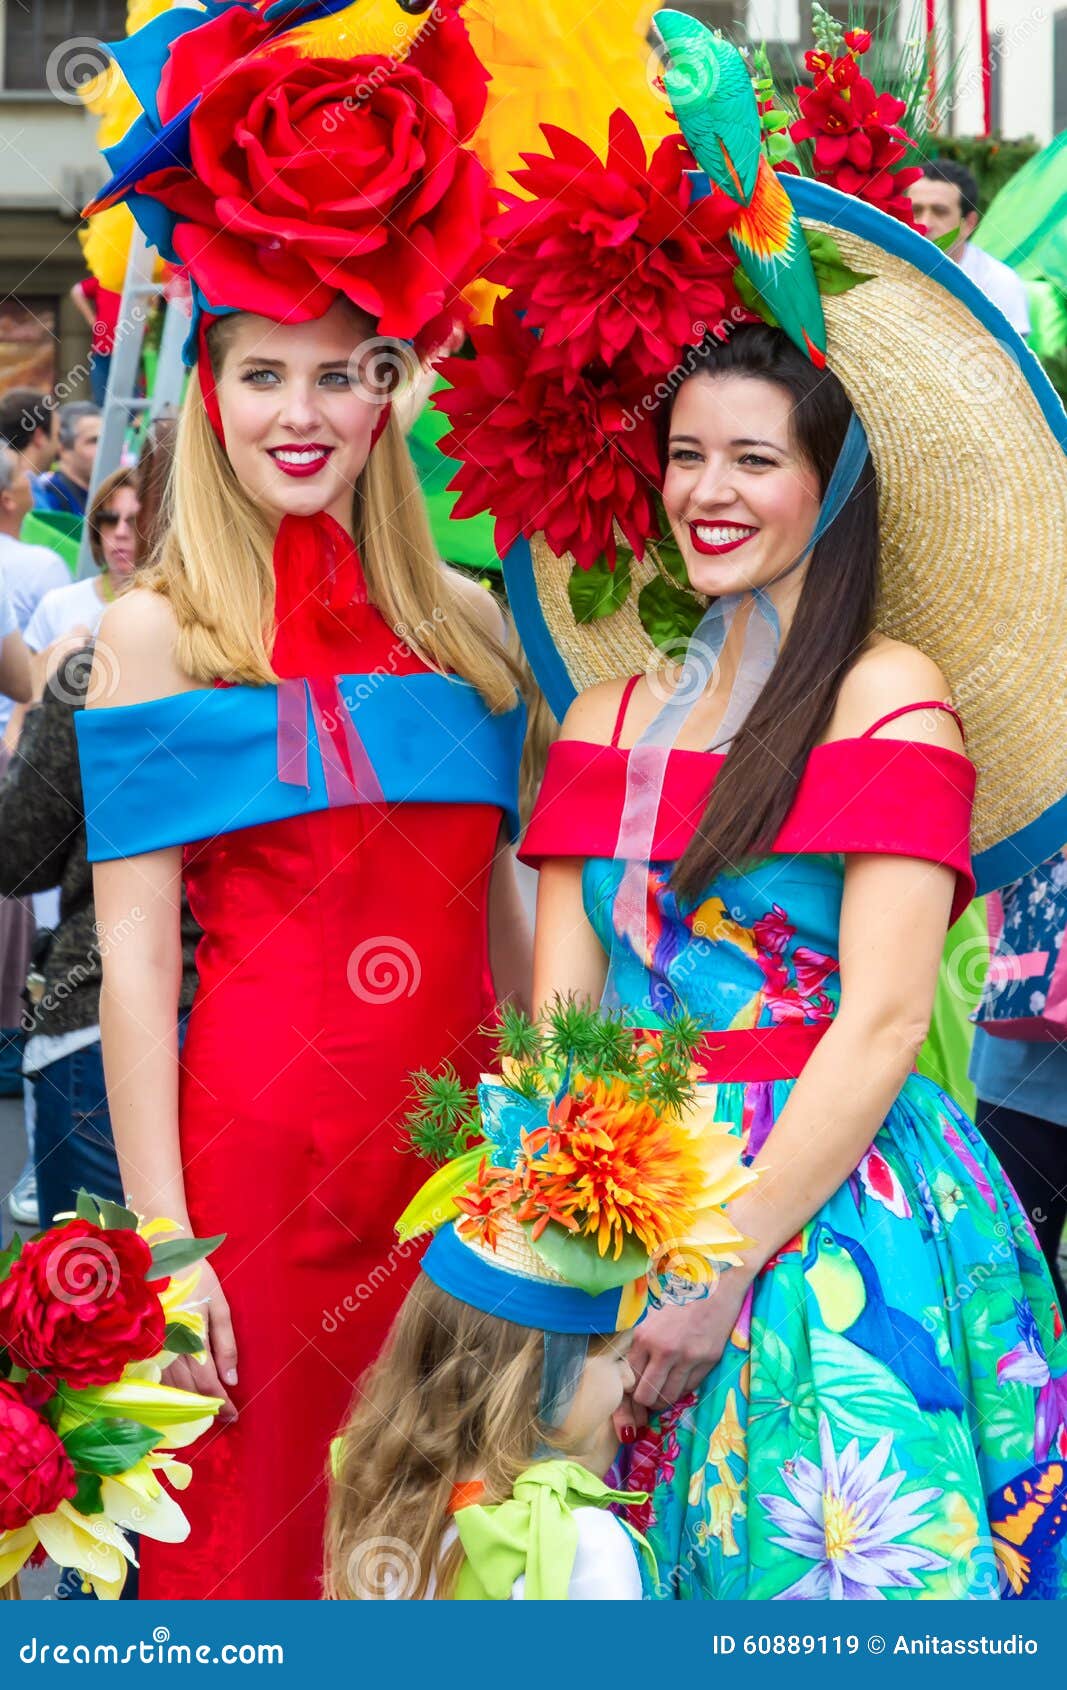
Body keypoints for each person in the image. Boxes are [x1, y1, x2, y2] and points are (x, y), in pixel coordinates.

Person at [454, 23, 1067, 1599]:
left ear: (829, 484)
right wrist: (555, 1276)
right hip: (614, 1234)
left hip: (833, 1232)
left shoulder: (885, 694)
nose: (706, 491)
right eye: (683, 456)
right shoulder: (601, 716)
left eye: (751, 458)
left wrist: (717, 1270)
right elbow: (556, 1036)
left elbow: (873, 1024)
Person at [74, 2, 530, 1600]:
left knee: (455, 1551)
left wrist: (551, 1160)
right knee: (259, 1569)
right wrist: (164, 1245)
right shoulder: (149, 638)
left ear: (395, 391)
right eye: (263, 372)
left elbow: (514, 924)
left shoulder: (473, 632)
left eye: (346, 376)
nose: (302, 413)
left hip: (464, 1174)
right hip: (253, 1190)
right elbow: (132, 966)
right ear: (206, 394)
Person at [326, 1022, 753, 1600]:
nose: (629, 1378)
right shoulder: (578, 1541)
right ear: (542, 1376)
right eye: (616, 1356)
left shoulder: (395, 1502)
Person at [907, 159, 1031, 338]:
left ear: (969, 223)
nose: (925, 223)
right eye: (916, 210)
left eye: (940, 211)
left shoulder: (998, 283)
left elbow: (1009, 362)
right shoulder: (883, 270)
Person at [24, 467, 138, 654]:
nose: (120, 533)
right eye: (110, 520)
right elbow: (27, 681)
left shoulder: (174, 615)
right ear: (96, 530)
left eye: (134, 521)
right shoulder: (56, 604)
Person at [0, 443, 69, 732]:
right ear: (7, 499)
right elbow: (24, 683)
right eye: (19, 473)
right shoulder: (44, 565)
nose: (29, 477)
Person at [33, 402, 100, 517]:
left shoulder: (115, 494)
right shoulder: (46, 498)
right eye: (94, 441)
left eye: (106, 440)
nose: (104, 449)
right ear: (62, 447)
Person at [70, 277, 121, 407]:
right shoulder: (104, 277)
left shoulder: (140, 277)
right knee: (101, 399)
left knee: (130, 400)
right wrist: (92, 320)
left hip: (132, 350)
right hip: (102, 350)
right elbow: (77, 291)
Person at [0, 388, 59, 501]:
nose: (59, 446)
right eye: (57, 435)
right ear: (39, 437)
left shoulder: (8, 491)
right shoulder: (30, 500)